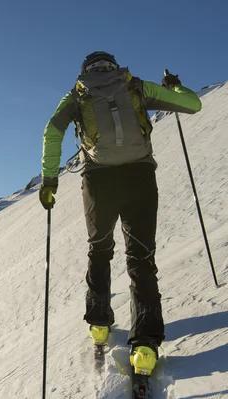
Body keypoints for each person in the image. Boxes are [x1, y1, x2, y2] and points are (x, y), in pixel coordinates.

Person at [38, 51, 202, 375]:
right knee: (141, 259)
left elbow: (52, 132)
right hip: (140, 178)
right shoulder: (135, 86)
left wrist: (49, 179)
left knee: (99, 250)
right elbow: (193, 104)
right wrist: (176, 86)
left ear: (85, 70)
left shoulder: (77, 94)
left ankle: (99, 324)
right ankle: (144, 347)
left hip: (99, 182)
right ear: (113, 66)